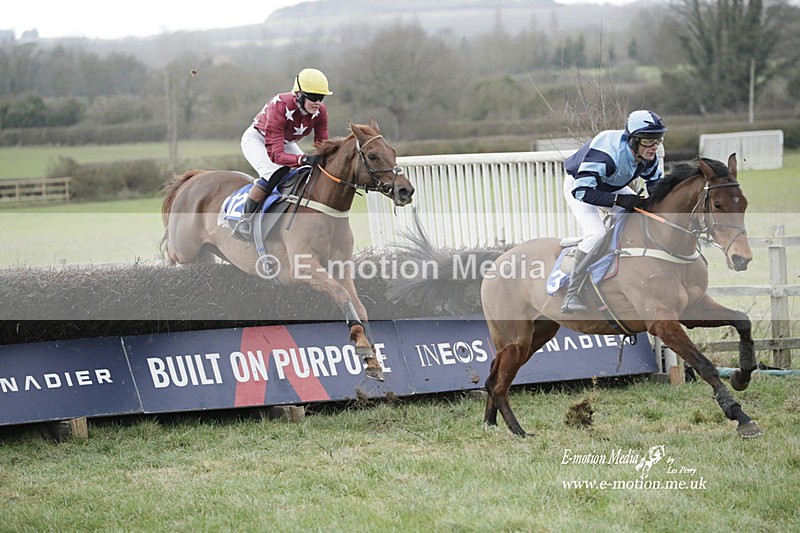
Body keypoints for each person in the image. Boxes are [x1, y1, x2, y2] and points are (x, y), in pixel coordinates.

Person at [560, 109, 668, 314]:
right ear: (633, 140)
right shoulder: (606, 155)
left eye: (658, 139)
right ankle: (571, 294)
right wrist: (619, 200)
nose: (654, 147)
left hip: (610, 184)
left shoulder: (649, 156)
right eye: (648, 140)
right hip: (579, 185)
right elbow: (582, 191)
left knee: (641, 214)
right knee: (596, 233)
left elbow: (655, 185)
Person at [233, 68, 333, 240]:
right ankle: (245, 221)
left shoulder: (320, 111)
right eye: (314, 97)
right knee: (274, 172)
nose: (318, 103)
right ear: (299, 94)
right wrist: (302, 159)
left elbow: (322, 144)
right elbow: (276, 155)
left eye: (321, 97)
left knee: (309, 171)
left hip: (286, 141)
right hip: (257, 139)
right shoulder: (279, 105)